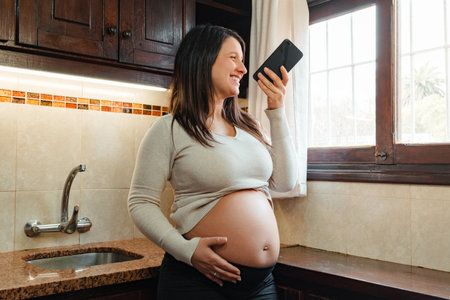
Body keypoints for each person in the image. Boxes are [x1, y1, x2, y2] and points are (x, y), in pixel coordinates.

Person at [128, 24, 297, 300]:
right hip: (198, 281)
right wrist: (187, 251)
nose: (243, 69)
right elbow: (140, 202)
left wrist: (277, 111)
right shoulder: (169, 129)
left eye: (242, 60)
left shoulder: (249, 126)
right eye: (233, 58)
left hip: (260, 284)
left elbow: (286, 181)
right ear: (202, 60)